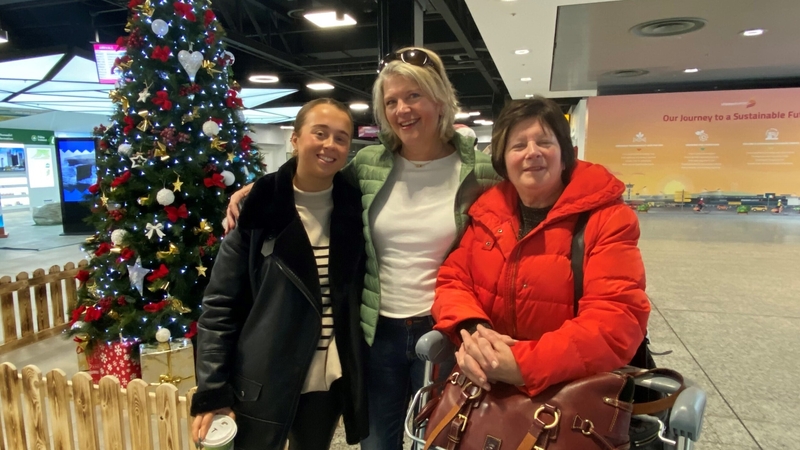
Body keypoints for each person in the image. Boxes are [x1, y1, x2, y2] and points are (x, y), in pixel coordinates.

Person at [223, 47, 499, 449]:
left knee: (446, 441)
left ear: (440, 99)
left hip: (446, 332)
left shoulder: (482, 172)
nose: (402, 109)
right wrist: (260, 188)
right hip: (376, 333)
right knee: (376, 444)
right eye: (391, 101)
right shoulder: (369, 165)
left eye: (414, 95)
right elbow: (313, 177)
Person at [432, 97, 650, 398]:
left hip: (571, 397)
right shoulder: (485, 214)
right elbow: (453, 280)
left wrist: (522, 364)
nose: (532, 153)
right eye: (518, 145)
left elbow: (615, 319)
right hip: (490, 388)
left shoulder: (607, 219)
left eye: (544, 142)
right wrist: (473, 331)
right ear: (502, 161)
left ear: (565, 155)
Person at [191, 98, 369, 450]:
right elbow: (219, 307)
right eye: (319, 133)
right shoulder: (260, 207)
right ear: (296, 138)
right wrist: (213, 389)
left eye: (341, 137)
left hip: (328, 380)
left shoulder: (356, 206)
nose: (329, 145)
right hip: (262, 380)